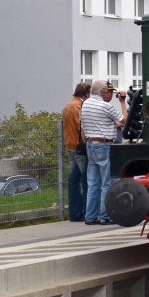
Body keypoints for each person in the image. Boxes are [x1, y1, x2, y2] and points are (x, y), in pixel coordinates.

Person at [80, 79, 127, 225]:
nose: (111, 95)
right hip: (104, 145)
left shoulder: (86, 104)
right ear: (103, 92)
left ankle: (90, 216)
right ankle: (105, 215)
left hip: (90, 144)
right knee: (106, 183)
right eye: (110, 92)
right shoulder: (105, 106)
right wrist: (122, 102)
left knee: (92, 183)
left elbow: (83, 126)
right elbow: (124, 119)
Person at [61, 82, 90, 222]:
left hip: (70, 146)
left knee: (73, 180)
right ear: (85, 94)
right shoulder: (79, 106)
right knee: (86, 180)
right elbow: (81, 126)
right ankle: (86, 212)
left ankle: (74, 213)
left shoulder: (67, 105)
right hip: (80, 147)